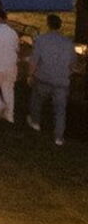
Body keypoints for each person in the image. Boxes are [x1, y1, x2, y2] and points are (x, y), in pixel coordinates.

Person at [29, 13, 73, 146]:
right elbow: (72, 63)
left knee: (37, 100)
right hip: (61, 81)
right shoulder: (68, 42)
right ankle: (58, 137)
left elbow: (34, 60)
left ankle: (35, 122)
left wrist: (30, 75)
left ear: (48, 24)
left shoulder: (41, 40)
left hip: (44, 78)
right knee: (60, 110)